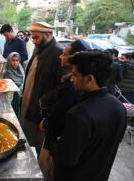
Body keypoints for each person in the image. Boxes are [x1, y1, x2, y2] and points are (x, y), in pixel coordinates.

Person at [54, 51, 126, 181]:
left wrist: (62, 141)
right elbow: (115, 140)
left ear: (90, 78)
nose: (71, 79)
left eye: (75, 75)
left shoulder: (78, 114)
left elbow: (67, 159)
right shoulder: (118, 106)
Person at [38, 39, 90, 179]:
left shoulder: (73, 87)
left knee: (48, 171)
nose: (61, 57)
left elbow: (61, 113)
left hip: (57, 141)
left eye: (65, 54)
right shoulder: (69, 80)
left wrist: (47, 122)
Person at [20, 22, 64, 155]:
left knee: (36, 146)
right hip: (28, 104)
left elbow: (63, 86)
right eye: (32, 37)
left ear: (47, 35)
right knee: (26, 140)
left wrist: (43, 102)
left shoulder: (58, 53)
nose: (33, 41)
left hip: (40, 111)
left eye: (36, 37)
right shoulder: (39, 47)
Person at [4, 52, 25, 119]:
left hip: (18, 97)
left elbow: (23, 82)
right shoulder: (6, 71)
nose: (15, 62)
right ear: (9, 60)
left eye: (17, 60)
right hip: (9, 97)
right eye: (13, 60)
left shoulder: (20, 70)